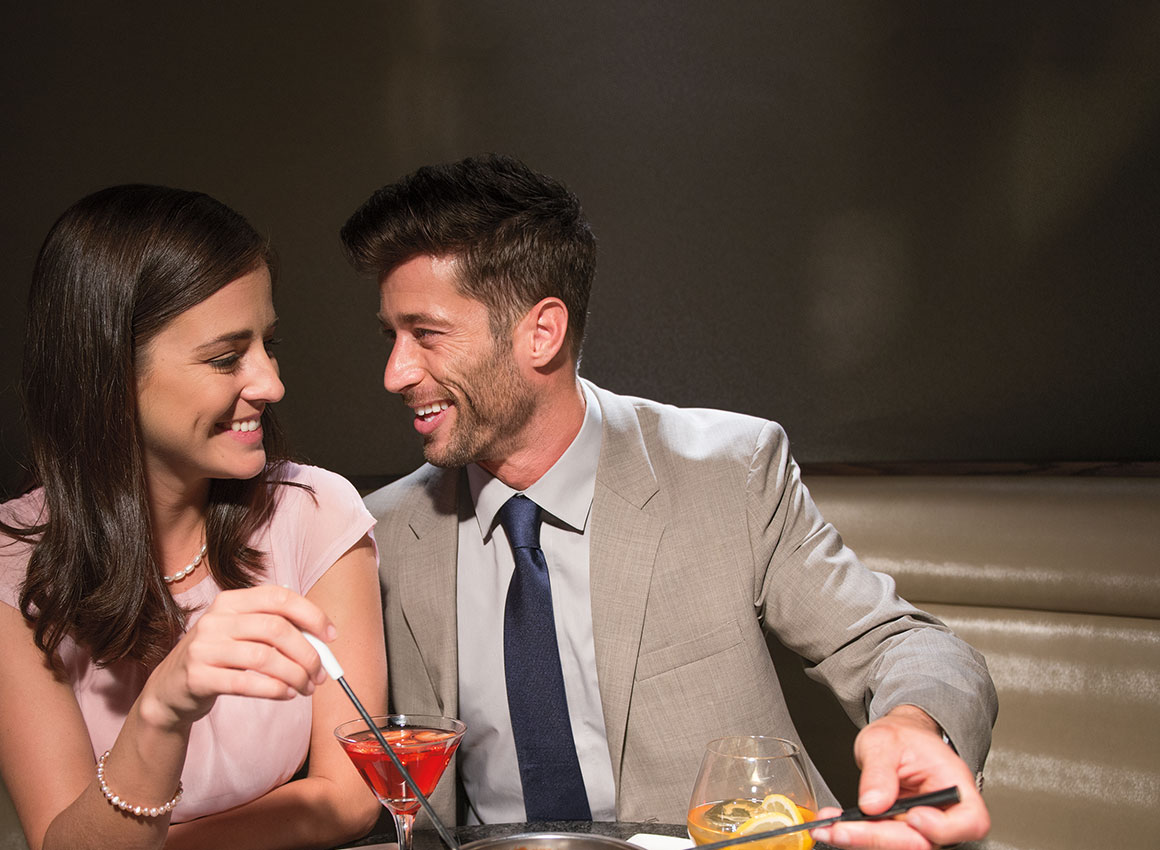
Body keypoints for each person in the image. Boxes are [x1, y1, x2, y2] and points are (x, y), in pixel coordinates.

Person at [340, 154, 996, 850]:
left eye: (427, 334)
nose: (396, 372)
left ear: (542, 332)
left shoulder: (730, 475)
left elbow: (904, 645)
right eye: (392, 336)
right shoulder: (379, 532)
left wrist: (911, 724)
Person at [0, 185, 385, 850]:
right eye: (227, 357)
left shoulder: (316, 512)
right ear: (108, 373)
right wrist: (162, 712)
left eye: (268, 343)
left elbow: (348, 797)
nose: (270, 383)